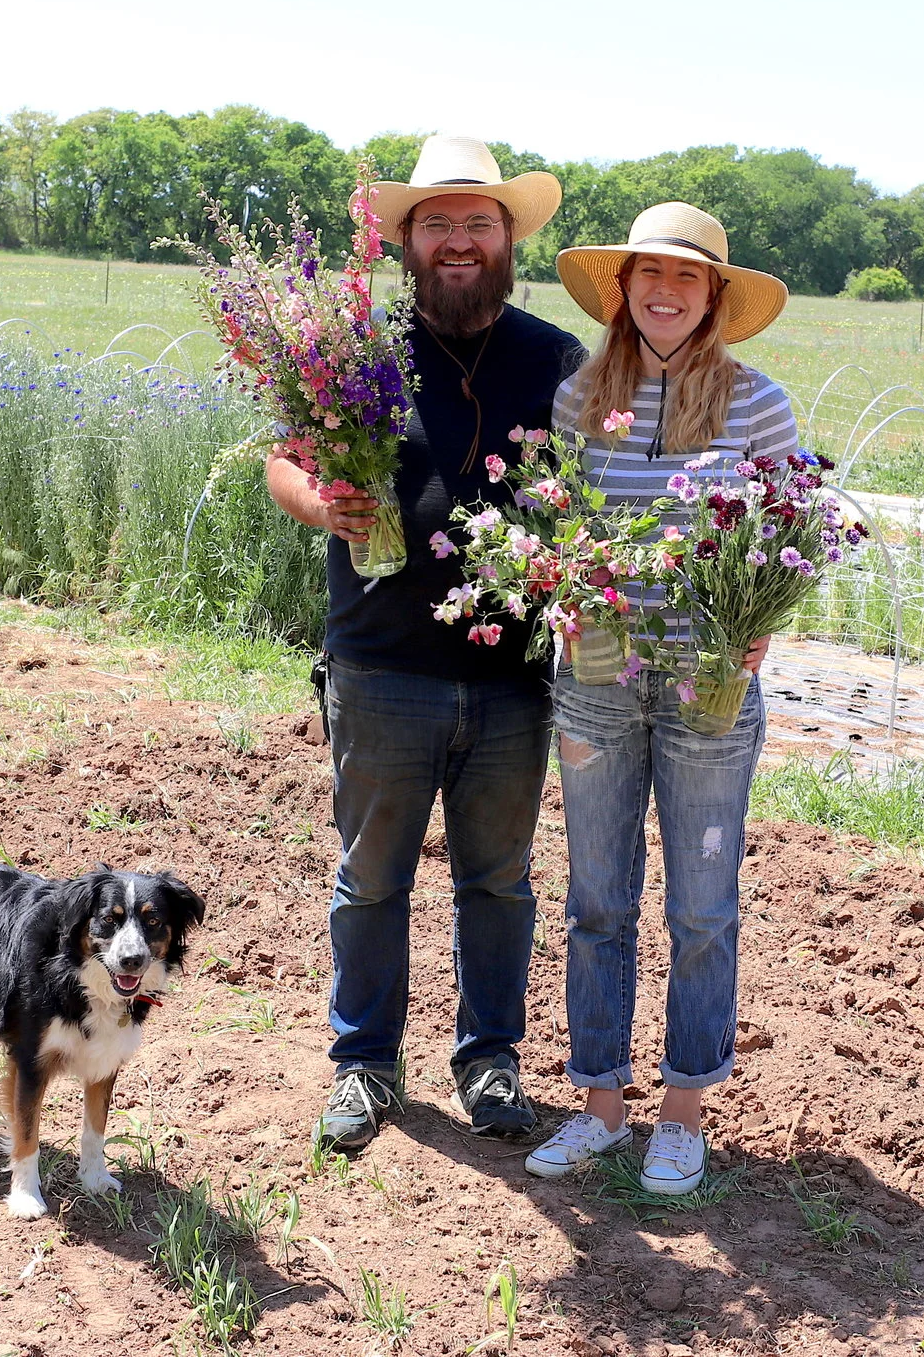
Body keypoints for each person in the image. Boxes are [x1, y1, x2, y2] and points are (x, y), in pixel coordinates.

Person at [266, 135, 586, 1152]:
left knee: (498, 879)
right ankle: (364, 1066)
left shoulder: (555, 358)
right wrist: (324, 503)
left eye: (476, 222)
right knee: (370, 878)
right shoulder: (352, 350)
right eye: (437, 223)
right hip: (381, 663)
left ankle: (489, 1060)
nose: (457, 241)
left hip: (510, 678)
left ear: (507, 238)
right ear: (406, 239)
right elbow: (283, 464)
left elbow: (591, 494)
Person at [522, 201, 795, 1196]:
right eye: (649, 275)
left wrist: (770, 617)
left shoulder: (757, 404)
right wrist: (555, 584)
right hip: (596, 685)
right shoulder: (580, 396)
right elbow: (554, 522)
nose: (666, 292)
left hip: (707, 691)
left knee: (700, 905)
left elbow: (789, 531)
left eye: (687, 278)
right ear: (623, 289)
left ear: (714, 295)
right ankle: (598, 1100)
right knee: (596, 897)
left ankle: (682, 1109)